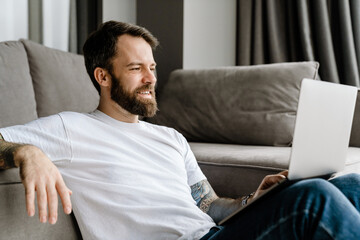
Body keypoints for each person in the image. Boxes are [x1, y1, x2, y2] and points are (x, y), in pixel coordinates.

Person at [0, 21, 360, 240]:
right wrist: (26, 151)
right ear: (103, 77)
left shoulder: (170, 138)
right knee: (313, 199)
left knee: (350, 184)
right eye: (137, 68)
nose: (151, 79)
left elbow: (209, 205)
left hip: (214, 233)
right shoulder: (71, 128)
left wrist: (253, 199)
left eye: (152, 67)